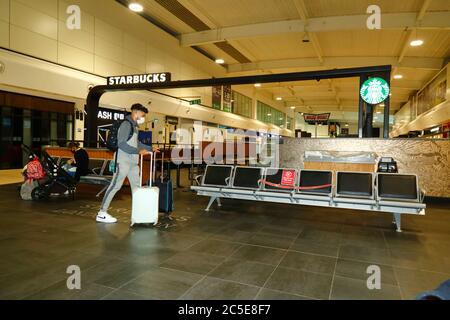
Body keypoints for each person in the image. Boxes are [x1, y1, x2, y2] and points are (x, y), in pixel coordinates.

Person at [97, 103, 157, 223]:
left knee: (136, 188)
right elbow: (122, 144)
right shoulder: (126, 124)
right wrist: (138, 151)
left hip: (133, 162)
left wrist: (150, 148)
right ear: (136, 112)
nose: (143, 117)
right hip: (123, 161)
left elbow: (136, 144)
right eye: (143, 114)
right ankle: (102, 213)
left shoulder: (134, 127)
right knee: (115, 186)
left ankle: (140, 214)